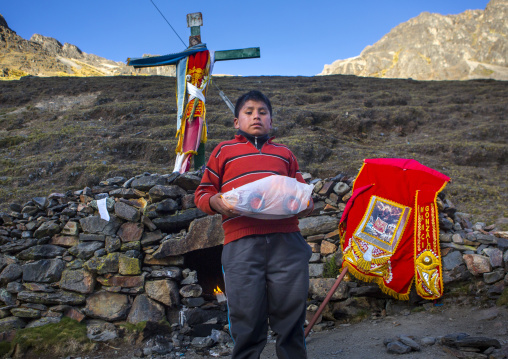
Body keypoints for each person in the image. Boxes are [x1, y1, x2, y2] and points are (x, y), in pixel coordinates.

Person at [195, 90, 314, 359]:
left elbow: (300, 193)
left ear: (271, 121)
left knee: (291, 318)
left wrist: (306, 203)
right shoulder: (224, 151)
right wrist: (216, 202)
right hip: (241, 245)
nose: (256, 117)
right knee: (246, 317)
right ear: (237, 122)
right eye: (248, 112)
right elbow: (202, 193)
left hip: (287, 243)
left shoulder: (284, 154)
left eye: (262, 112)